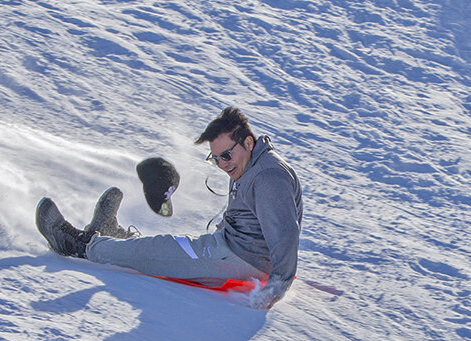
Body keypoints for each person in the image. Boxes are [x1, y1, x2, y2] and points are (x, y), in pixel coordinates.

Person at [35, 107, 302, 309]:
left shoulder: (268, 177)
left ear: (248, 143)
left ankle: (80, 245)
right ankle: (116, 239)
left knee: (161, 251)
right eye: (216, 158)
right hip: (230, 247)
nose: (222, 164)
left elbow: (285, 234)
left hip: (240, 260)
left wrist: (276, 287)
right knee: (164, 249)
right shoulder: (254, 164)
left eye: (226, 155)